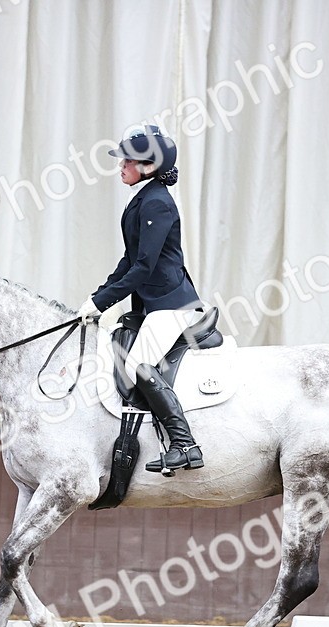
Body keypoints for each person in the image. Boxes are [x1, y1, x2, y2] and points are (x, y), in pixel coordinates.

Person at [77, 125, 206, 475]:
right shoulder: (144, 198)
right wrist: (97, 296)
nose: (120, 166)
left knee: (138, 365)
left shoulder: (158, 203)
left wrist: (103, 303)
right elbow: (129, 261)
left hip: (171, 304)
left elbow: (145, 268)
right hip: (152, 303)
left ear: (148, 167)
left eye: (127, 161)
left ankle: (184, 444)